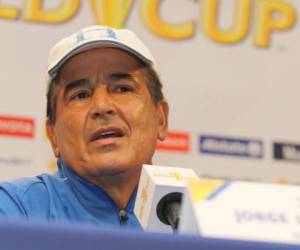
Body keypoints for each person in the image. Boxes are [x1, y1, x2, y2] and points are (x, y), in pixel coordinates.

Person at [0, 25, 169, 229]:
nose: (102, 106)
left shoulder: (203, 219)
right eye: (81, 95)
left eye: (122, 89)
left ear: (161, 119)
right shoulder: (14, 211)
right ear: (53, 135)